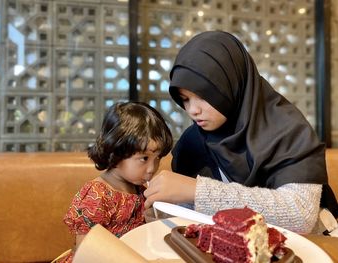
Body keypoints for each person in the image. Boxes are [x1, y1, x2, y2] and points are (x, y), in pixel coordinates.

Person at [144, 30, 338, 234]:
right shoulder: (192, 141)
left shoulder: (289, 130)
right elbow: (193, 213)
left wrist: (197, 191)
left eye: (203, 95)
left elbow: (301, 215)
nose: (193, 110)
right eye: (185, 99)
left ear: (232, 85)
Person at [60, 102, 173, 262]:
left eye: (157, 158)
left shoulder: (141, 190)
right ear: (116, 152)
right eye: (144, 158)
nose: (151, 168)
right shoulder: (97, 195)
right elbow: (86, 252)